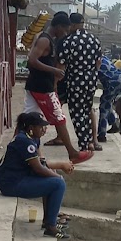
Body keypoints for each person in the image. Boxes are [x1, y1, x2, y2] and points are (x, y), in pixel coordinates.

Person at [0, 109, 74, 237]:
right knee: (58, 183)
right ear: (31, 128)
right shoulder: (24, 141)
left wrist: (55, 171)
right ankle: (51, 226)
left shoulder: (32, 138)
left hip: (19, 177)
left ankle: (49, 219)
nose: (44, 130)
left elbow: (41, 163)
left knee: (52, 177)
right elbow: (38, 168)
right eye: (41, 127)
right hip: (11, 184)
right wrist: (58, 177)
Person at [25, 12, 90, 164]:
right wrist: (54, 70)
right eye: (65, 30)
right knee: (59, 118)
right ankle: (73, 153)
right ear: (59, 26)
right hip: (42, 87)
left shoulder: (49, 40)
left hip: (36, 85)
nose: (66, 33)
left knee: (27, 118)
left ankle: (16, 148)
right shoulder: (44, 40)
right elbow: (32, 60)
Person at [58, 11, 102, 152]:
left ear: (72, 25)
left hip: (75, 80)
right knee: (87, 109)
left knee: (77, 113)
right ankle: (89, 141)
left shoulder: (68, 41)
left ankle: (84, 144)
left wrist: (56, 82)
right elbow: (99, 62)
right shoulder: (94, 39)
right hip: (91, 80)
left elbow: (61, 65)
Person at [97, 54, 121, 143]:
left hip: (113, 83)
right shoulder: (103, 57)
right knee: (107, 102)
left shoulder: (93, 62)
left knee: (103, 106)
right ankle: (114, 125)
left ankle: (102, 135)